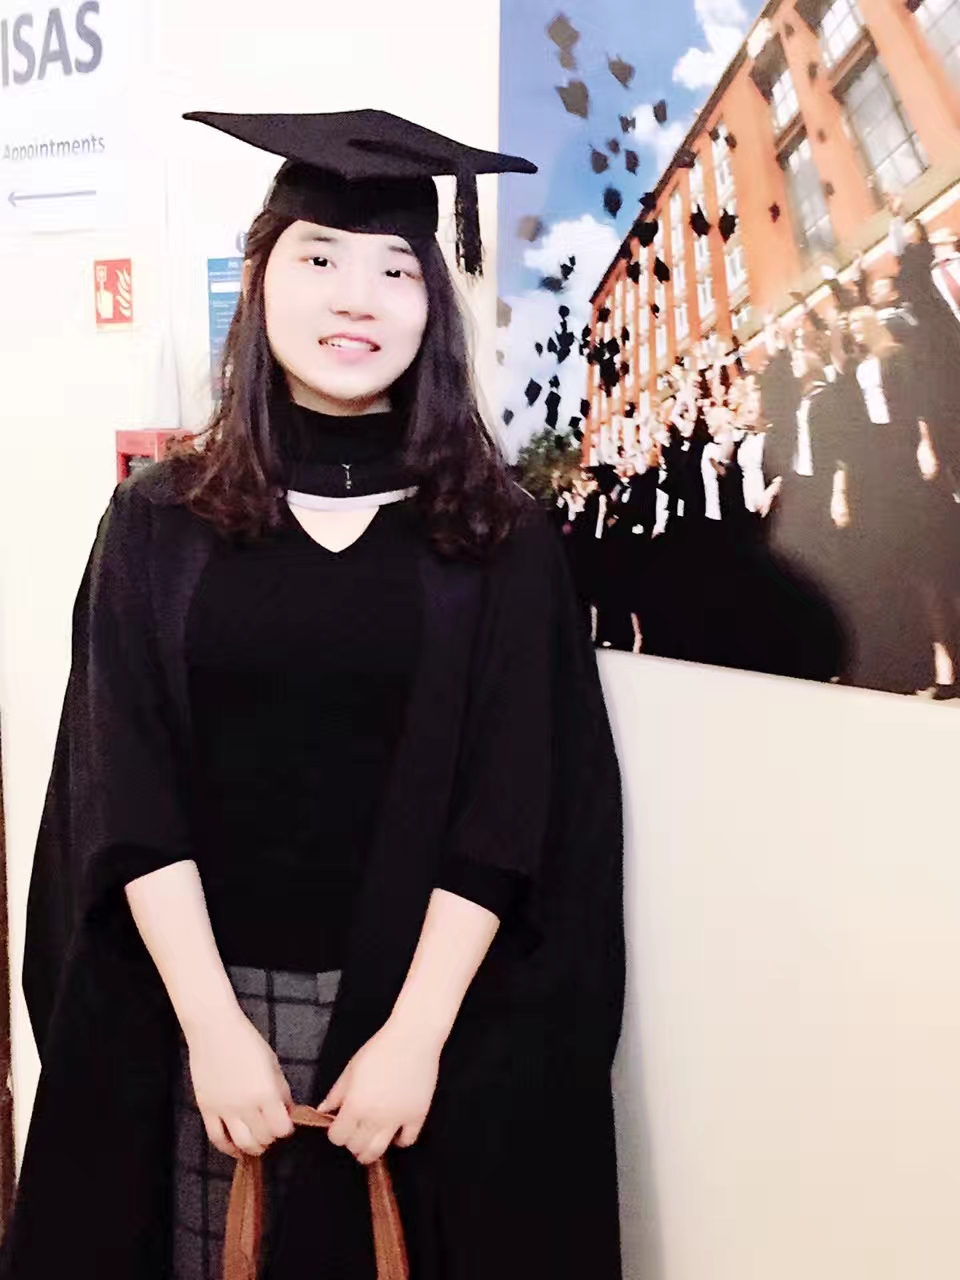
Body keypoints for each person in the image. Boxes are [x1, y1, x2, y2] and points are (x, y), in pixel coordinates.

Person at [2, 109, 626, 1280]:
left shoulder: (498, 537)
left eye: (396, 269)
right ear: (260, 278)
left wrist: (414, 1037)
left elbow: (512, 808)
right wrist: (212, 1027)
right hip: (208, 1013)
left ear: (433, 306)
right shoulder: (159, 521)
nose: (356, 299)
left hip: (429, 1019)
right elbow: (124, 789)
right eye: (320, 257)